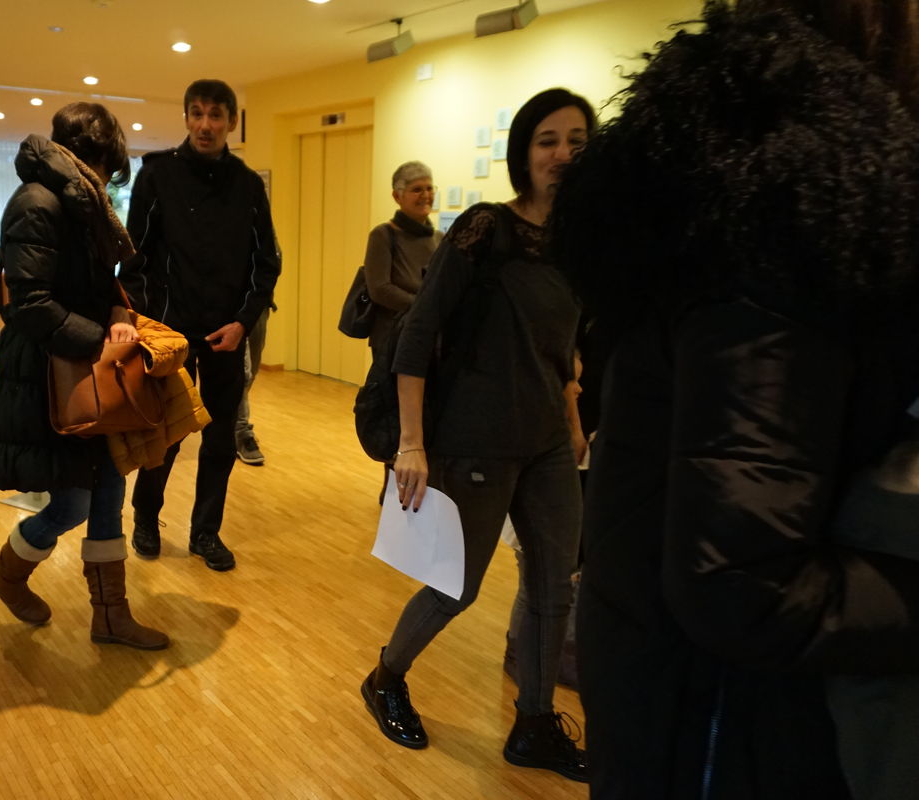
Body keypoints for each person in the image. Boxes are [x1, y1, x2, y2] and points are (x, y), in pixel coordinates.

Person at [548, 1, 919, 797]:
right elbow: (741, 586)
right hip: (713, 722)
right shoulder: (781, 222)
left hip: (674, 687)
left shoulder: (726, 206)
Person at [361, 88, 594, 783]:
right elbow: (420, 331)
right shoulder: (485, 229)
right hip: (476, 440)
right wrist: (411, 442)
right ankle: (385, 677)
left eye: (577, 141)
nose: (562, 154)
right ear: (524, 151)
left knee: (554, 586)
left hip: (547, 442)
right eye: (548, 140)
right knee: (455, 587)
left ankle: (534, 724)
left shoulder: (579, 243)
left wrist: (573, 422)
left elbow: (565, 349)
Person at [0, 102, 168, 650]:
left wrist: (118, 312)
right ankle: (7, 574)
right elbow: (30, 305)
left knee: (108, 491)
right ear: (98, 155)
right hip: (50, 376)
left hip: (85, 371)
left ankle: (111, 616)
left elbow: (99, 283)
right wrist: (100, 343)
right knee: (73, 504)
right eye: (112, 165)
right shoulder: (39, 202)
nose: (111, 178)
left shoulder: (81, 201)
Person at [120, 79, 281, 571]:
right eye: (197, 113)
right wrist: (149, 326)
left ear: (232, 122)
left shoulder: (248, 185)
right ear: (187, 118)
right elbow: (134, 258)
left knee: (220, 439)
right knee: (166, 434)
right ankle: (146, 518)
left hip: (226, 335)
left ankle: (205, 533)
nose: (205, 124)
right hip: (170, 335)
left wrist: (243, 322)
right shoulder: (157, 175)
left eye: (215, 115)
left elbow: (266, 264)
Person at [363, 160, 444, 501]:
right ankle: (393, 484)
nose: (425, 195)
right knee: (395, 416)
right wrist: (424, 310)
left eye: (429, 188)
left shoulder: (439, 238)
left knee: (428, 413)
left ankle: (421, 483)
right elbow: (380, 288)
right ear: (397, 196)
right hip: (393, 341)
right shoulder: (383, 235)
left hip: (432, 341)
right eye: (416, 189)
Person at [234, 303, 270, 466]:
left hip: (257, 305)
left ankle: (233, 422)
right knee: (242, 374)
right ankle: (242, 433)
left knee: (251, 371)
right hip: (224, 307)